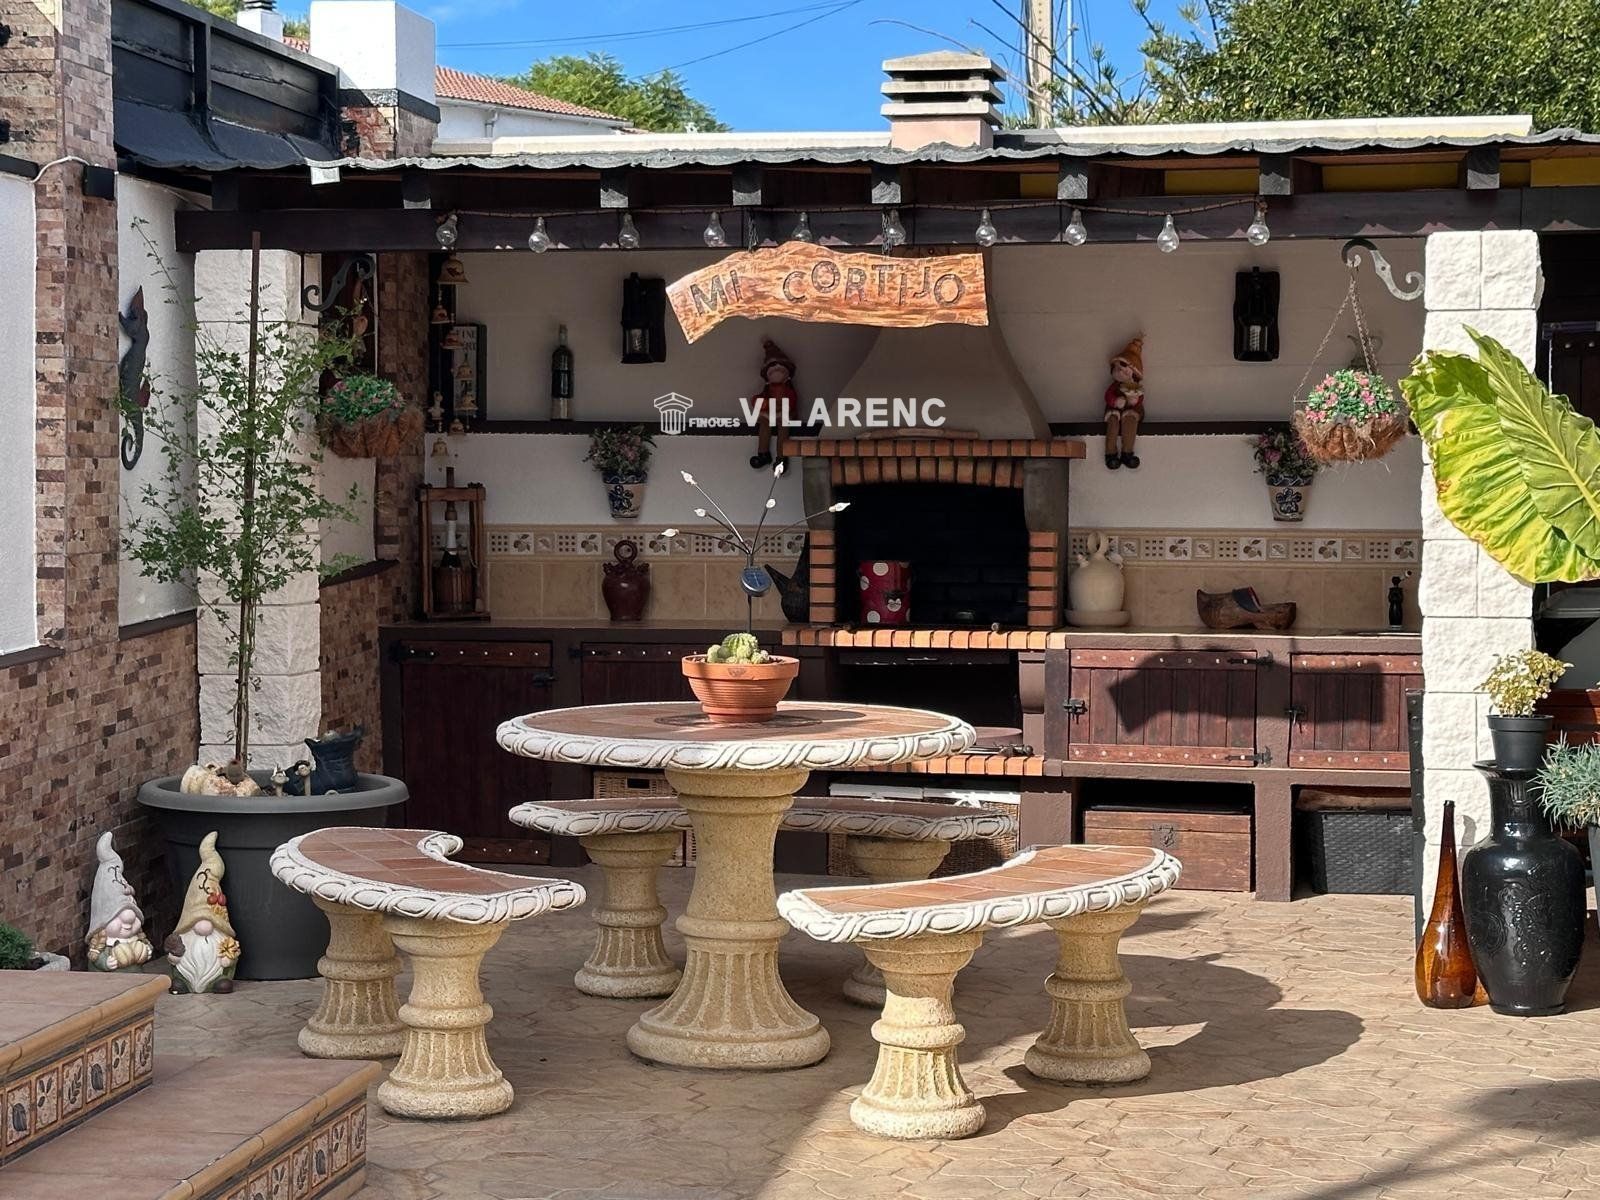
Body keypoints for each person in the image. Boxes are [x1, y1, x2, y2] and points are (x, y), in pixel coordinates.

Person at [1104, 336, 1145, 470]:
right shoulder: (1115, 386)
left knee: (1130, 422)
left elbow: (1139, 400)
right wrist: (1115, 401)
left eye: (1123, 368)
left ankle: (1127, 453)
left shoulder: (1136, 387)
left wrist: (1133, 400)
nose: (1119, 371)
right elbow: (1108, 396)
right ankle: (1110, 454)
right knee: (1113, 423)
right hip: (1115, 411)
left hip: (1131, 413)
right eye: (1116, 368)